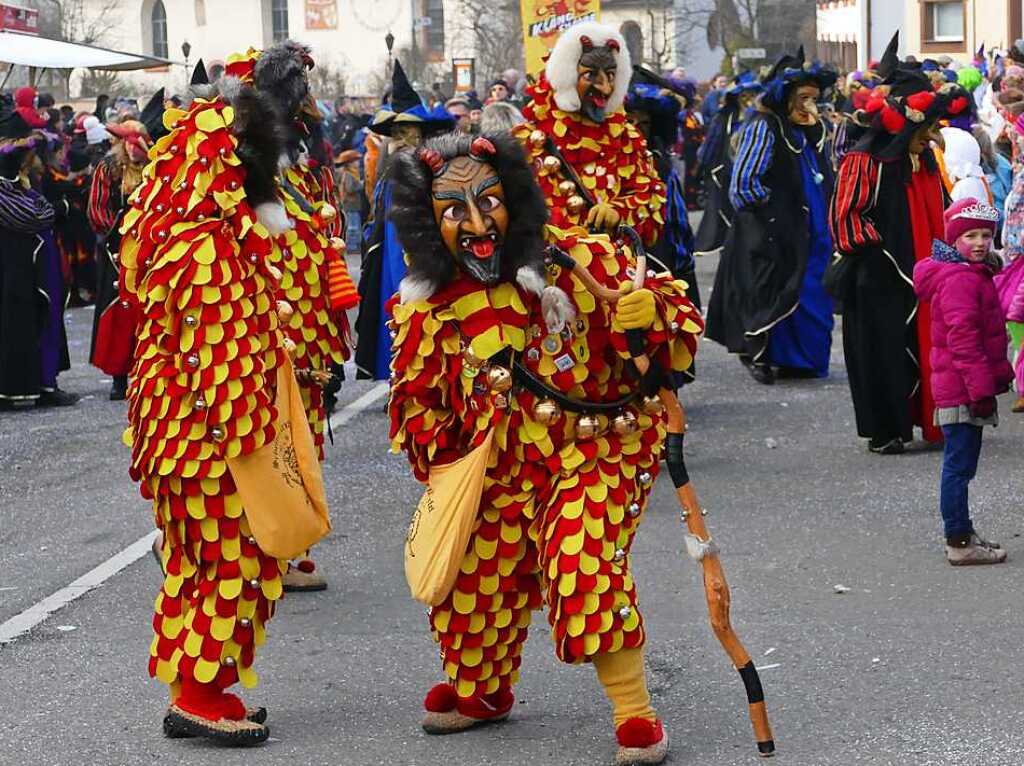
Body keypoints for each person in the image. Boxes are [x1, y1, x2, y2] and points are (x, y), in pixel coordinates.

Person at [118, 44, 332, 746]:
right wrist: (255, 450)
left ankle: (194, 688)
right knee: (233, 557)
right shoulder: (207, 244)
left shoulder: (185, 235)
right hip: (210, 441)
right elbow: (226, 358)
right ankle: (200, 692)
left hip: (183, 438)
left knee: (195, 561)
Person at [830, 41, 973, 454]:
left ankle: (928, 419)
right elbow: (847, 217)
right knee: (883, 354)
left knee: (929, 346)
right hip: (879, 278)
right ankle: (887, 428)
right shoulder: (865, 161)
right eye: (927, 128)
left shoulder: (924, 158)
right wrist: (881, 258)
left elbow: (943, 215)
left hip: (924, 274)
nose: (934, 137)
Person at [255, 42, 355, 591]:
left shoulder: (296, 174)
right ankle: (272, 552)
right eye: (303, 97)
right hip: (276, 331)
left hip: (307, 333)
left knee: (300, 433)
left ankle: (282, 545)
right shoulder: (253, 171)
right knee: (275, 437)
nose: (313, 109)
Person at [706, 47, 837, 385]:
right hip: (770, 228)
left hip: (809, 227)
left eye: (814, 98)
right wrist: (777, 210)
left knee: (811, 286)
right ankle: (763, 354)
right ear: (786, 95)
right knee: (770, 289)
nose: (810, 105)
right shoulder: (764, 126)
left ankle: (802, 359)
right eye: (804, 97)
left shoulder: (806, 129)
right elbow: (744, 184)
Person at [913, 198, 1013, 565]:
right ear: (954, 238)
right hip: (962, 389)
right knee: (958, 467)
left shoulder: (970, 273)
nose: (980, 242)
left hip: (960, 386)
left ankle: (963, 532)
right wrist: (982, 391)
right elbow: (964, 341)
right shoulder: (959, 279)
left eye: (986, 235)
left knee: (962, 465)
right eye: (970, 235)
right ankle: (959, 541)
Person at [354, 60, 453, 380]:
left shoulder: (436, 168)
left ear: (421, 132)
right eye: (396, 132)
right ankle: (400, 377)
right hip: (392, 258)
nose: (402, 138)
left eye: (408, 131)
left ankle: (427, 376)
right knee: (394, 311)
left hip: (426, 255)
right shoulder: (387, 175)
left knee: (428, 311)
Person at [0, 109, 77, 409]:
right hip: (18, 265)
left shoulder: (24, 182)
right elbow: (32, 216)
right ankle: (24, 386)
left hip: (31, 261)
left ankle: (43, 382)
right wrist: (60, 209)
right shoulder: (9, 186)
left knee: (39, 316)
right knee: (23, 319)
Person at [87, 119, 150, 401]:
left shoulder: (154, 167)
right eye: (129, 142)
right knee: (117, 309)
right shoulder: (109, 168)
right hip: (116, 250)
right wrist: (118, 235)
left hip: (148, 247)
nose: (134, 148)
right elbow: (96, 210)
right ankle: (118, 377)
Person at [693, 71, 762, 256]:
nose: (748, 100)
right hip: (728, 174)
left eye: (752, 96)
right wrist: (703, 166)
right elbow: (711, 145)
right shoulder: (724, 118)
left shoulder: (762, 118)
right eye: (744, 96)